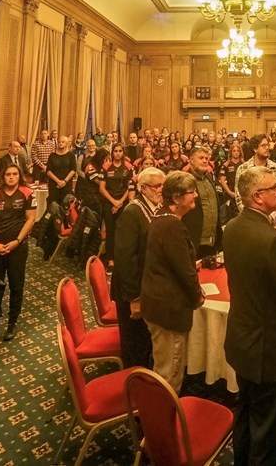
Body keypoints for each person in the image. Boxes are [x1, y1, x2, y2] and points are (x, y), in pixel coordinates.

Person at [223, 166, 276, 466]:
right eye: (274, 188)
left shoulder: (232, 227)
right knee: (269, 433)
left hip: (241, 343)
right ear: (258, 197)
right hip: (268, 350)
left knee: (245, 416)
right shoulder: (274, 240)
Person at [140, 171, 204, 392]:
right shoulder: (171, 225)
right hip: (167, 310)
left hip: (158, 304)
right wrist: (197, 296)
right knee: (169, 374)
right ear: (176, 198)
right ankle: (162, 423)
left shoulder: (162, 217)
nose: (195, 195)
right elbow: (183, 269)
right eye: (191, 192)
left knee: (166, 367)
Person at [0, 162, 39, 342]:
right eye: (8, 174)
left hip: (18, 247)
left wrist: (17, 241)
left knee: (16, 285)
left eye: (14, 174)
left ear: (19, 176)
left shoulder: (28, 194)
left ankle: (12, 322)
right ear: (2, 177)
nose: (11, 177)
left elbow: (31, 219)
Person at [111, 167, 164, 368]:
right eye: (156, 186)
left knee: (145, 341)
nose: (161, 190)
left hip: (145, 286)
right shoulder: (132, 212)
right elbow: (125, 259)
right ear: (143, 188)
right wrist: (134, 298)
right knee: (134, 345)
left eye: (162, 185)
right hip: (131, 291)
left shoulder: (154, 207)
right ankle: (133, 385)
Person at [236, 135, 276, 232]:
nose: (267, 148)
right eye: (263, 145)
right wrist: (256, 218)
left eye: (268, 145)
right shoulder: (243, 169)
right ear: (255, 149)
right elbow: (240, 199)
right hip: (251, 224)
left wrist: (268, 218)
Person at [184, 146, 223, 258]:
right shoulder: (185, 181)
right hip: (194, 242)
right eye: (201, 158)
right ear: (191, 160)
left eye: (206, 158)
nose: (205, 161)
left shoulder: (210, 178)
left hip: (213, 241)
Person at [98, 143, 135, 261]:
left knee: (123, 232)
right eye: (116, 151)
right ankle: (110, 260)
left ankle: (121, 258)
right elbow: (101, 188)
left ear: (123, 153)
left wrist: (119, 202)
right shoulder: (106, 166)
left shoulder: (129, 167)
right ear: (112, 153)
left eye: (120, 151)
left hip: (122, 203)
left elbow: (129, 187)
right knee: (110, 231)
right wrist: (113, 201)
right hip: (109, 203)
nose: (118, 153)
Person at [45, 136, 78, 206]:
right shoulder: (52, 155)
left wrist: (65, 181)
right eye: (59, 142)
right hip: (54, 185)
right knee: (53, 205)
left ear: (66, 144)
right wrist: (58, 181)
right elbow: (48, 171)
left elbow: (73, 170)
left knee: (66, 206)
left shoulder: (71, 155)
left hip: (66, 185)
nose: (60, 143)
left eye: (63, 142)